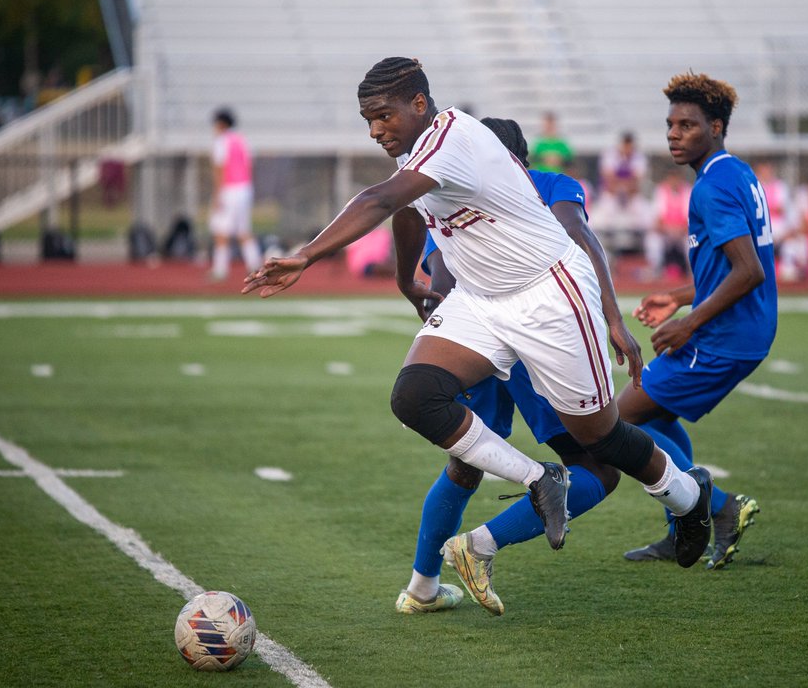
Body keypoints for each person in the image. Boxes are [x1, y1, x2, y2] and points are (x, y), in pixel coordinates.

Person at [244, 58, 717, 591]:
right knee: (415, 397)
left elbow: (380, 199)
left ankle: (688, 496)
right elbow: (405, 209)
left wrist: (306, 255)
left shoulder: (453, 138)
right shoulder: (414, 150)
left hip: (549, 294)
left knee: (599, 437)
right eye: (367, 120)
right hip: (481, 299)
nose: (374, 130)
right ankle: (539, 479)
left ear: (419, 104)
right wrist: (406, 280)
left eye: (382, 116)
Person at [399, 117, 620, 616]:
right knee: (600, 461)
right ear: (520, 160)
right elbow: (577, 235)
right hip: (539, 336)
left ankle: (422, 588)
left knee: (465, 462)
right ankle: (480, 544)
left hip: (475, 340)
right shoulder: (548, 184)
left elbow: (440, 280)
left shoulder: (450, 191)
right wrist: (611, 317)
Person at [618, 70, 775, 569]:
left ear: (716, 127)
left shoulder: (713, 187)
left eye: (687, 125)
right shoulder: (735, 173)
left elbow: (749, 271)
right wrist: (680, 297)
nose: (674, 134)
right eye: (671, 124)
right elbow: (735, 267)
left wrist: (689, 322)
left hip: (723, 335)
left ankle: (719, 507)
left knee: (618, 421)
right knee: (655, 415)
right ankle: (679, 530)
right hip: (738, 327)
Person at [208, 108, 263, 281]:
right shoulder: (242, 139)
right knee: (243, 230)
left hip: (229, 189)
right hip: (245, 188)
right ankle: (256, 266)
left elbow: (220, 169)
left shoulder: (221, 141)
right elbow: (249, 165)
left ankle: (220, 270)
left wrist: (217, 195)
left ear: (221, 124)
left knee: (221, 230)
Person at [645, 167, 692, 280]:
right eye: (672, 178)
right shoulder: (660, 191)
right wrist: (668, 229)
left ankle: (692, 271)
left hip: (683, 232)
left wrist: (679, 230)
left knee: (692, 241)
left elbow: (690, 218)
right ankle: (656, 269)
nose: (674, 181)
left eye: (676, 178)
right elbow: (657, 218)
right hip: (666, 232)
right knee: (653, 240)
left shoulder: (688, 191)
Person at [599, 131, 648, 196]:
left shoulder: (639, 157)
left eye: (629, 146)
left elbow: (639, 177)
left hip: (632, 195)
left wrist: (625, 183)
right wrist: (622, 183)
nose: (627, 149)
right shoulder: (610, 155)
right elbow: (607, 175)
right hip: (611, 195)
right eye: (625, 145)